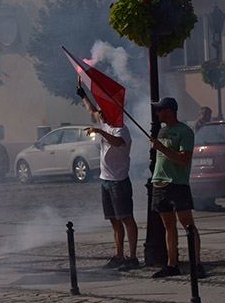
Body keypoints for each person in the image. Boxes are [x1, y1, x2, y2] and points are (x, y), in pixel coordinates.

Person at [79, 82, 140, 271]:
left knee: (127, 218)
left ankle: (133, 257)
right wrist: (83, 95)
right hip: (105, 180)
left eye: (103, 111)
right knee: (114, 220)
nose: (100, 113)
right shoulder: (104, 123)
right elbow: (91, 111)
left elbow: (116, 142)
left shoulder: (121, 129)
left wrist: (98, 131)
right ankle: (119, 255)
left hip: (118, 181)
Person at [149, 97, 206, 279]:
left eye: (160, 110)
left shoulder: (185, 131)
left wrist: (161, 148)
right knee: (168, 225)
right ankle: (172, 264)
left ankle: (196, 264)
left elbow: (183, 159)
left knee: (187, 224)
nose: (157, 113)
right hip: (159, 182)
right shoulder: (162, 130)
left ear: (170, 111)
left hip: (177, 183)